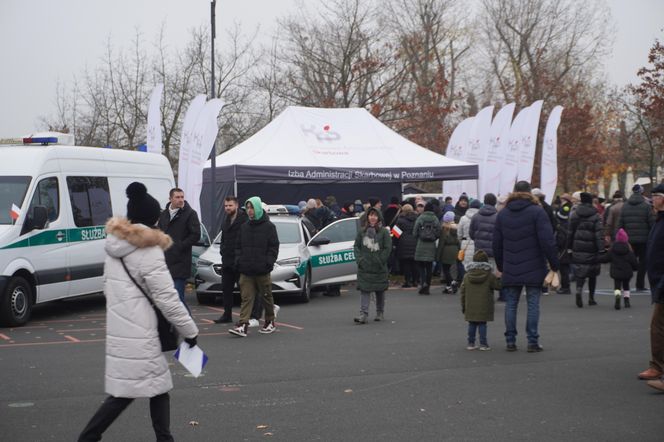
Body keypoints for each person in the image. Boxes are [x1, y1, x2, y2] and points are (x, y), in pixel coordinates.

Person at [78, 182, 198, 442]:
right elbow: (167, 297)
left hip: (122, 327)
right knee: (127, 393)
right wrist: (190, 331)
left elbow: (108, 288)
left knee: (155, 387)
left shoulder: (114, 247)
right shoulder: (148, 249)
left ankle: (164, 438)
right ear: (153, 218)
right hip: (142, 331)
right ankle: (88, 436)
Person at [493, 181, 559, 353]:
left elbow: (497, 243)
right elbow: (547, 240)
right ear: (530, 193)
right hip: (534, 264)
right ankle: (532, 341)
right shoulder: (537, 212)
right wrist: (554, 264)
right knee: (533, 303)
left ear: (513, 192)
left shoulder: (503, 214)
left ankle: (510, 340)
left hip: (510, 264)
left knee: (511, 303)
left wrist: (501, 265)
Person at [229, 197, 280, 337]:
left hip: (262, 270)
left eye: (252, 208)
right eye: (247, 208)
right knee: (246, 297)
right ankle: (243, 324)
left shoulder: (269, 227)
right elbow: (238, 246)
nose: (249, 211)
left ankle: (270, 321)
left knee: (266, 296)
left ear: (257, 209)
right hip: (246, 269)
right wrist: (239, 261)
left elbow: (273, 247)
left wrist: (268, 263)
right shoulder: (244, 227)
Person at [157, 187, 201, 313]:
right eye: (177, 197)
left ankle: (189, 327)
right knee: (166, 299)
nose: (180, 200)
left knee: (178, 298)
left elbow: (195, 234)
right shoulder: (164, 214)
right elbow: (159, 232)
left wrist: (179, 246)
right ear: (170, 199)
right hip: (165, 262)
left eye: (182, 197)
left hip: (180, 261)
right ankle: (174, 328)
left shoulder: (190, 214)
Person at [641, 183, 664, 388]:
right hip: (658, 281)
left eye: (655, 195)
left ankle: (659, 367)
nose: (652, 199)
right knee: (657, 327)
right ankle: (657, 366)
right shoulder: (659, 219)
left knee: (659, 326)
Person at [353, 207, 392, 323]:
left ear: (378, 217)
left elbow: (387, 247)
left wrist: (381, 259)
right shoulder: (362, 231)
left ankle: (380, 312)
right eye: (371, 215)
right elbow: (356, 246)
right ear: (367, 217)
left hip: (379, 267)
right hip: (365, 267)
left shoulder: (384, 232)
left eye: (375, 215)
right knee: (364, 290)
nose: (373, 217)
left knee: (379, 290)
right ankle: (363, 314)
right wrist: (359, 260)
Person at [213, 196, 248, 324]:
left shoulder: (244, 219)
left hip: (240, 262)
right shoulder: (225, 220)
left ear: (236, 205)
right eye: (226, 206)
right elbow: (223, 239)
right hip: (227, 261)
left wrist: (241, 257)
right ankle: (227, 315)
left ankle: (249, 316)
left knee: (244, 291)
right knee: (226, 289)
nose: (227, 208)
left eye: (230, 205)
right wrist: (223, 251)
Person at [568, 192, 604, 308]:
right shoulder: (595, 215)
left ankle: (579, 289)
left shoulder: (575, 214)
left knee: (580, 271)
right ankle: (591, 298)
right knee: (592, 273)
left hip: (577, 246)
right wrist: (601, 249)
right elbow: (599, 234)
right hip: (592, 247)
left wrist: (569, 247)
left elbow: (570, 233)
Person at [460, 249, 501, 351]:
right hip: (484, 304)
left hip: (470, 304)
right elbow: (498, 286)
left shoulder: (466, 276)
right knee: (482, 323)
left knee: (472, 323)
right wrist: (499, 278)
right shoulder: (489, 276)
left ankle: (471, 343)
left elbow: (462, 292)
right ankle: (483, 344)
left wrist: (463, 305)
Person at [617, 184, 655, 291]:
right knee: (643, 262)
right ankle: (640, 284)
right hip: (644, 240)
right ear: (642, 193)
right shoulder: (646, 206)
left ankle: (625, 284)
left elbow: (620, 224)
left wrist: (619, 238)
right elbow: (651, 224)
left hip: (628, 240)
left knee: (628, 261)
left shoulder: (625, 206)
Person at [602, 228, 637, 310]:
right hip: (627, 271)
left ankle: (617, 296)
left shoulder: (613, 249)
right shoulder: (629, 250)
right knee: (626, 286)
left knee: (617, 286)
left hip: (616, 271)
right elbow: (634, 261)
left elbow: (606, 258)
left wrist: (598, 259)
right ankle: (626, 300)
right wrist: (635, 268)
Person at [413, 202, 440, 295]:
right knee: (429, 267)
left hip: (421, 244)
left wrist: (419, 237)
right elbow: (438, 232)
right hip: (431, 245)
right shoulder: (435, 218)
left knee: (421, 266)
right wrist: (433, 238)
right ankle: (427, 286)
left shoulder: (420, 218)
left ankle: (422, 282)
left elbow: (415, 232)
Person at [394, 204, 418, 288]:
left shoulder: (400, 220)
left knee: (406, 264)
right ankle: (415, 281)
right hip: (415, 243)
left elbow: (395, 233)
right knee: (414, 263)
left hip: (403, 243)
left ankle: (407, 281)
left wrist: (395, 243)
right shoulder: (417, 218)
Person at [438, 211, 460, 294]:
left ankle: (452, 283)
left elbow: (441, 243)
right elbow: (458, 241)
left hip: (446, 250)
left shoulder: (445, 228)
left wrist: (438, 255)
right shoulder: (456, 228)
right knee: (449, 268)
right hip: (454, 250)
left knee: (446, 269)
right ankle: (448, 287)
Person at [554, 203, 573, 294]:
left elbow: (560, 241)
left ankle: (565, 287)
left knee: (563, 270)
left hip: (562, 251)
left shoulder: (560, 227)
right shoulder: (569, 224)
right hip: (569, 250)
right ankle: (566, 286)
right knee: (566, 269)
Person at [458, 199, 480, 270]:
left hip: (465, 244)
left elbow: (459, 234)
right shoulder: (481, 218)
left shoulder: (463, 218)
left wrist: (461, 241)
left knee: (466, 267)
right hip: (478, 244)